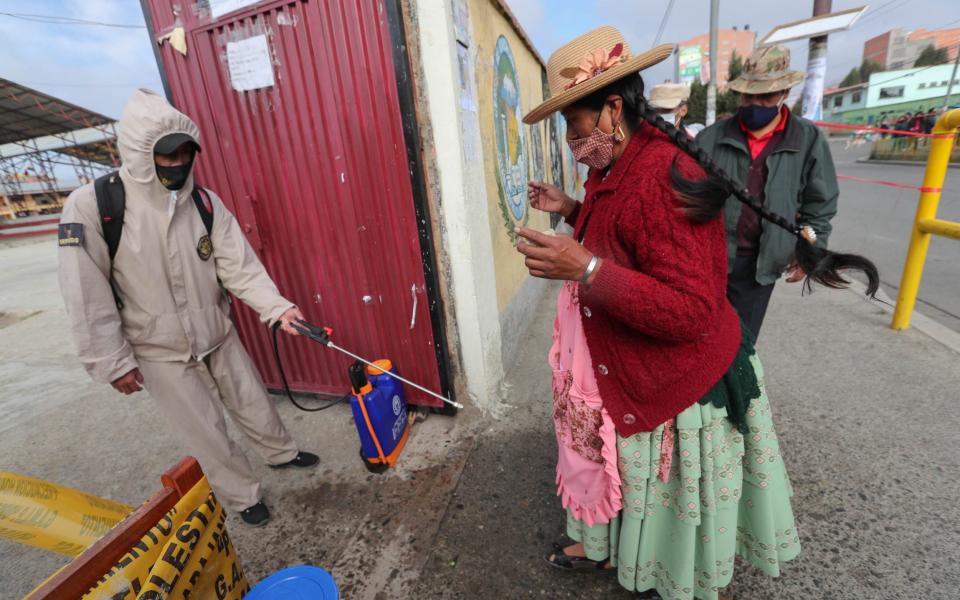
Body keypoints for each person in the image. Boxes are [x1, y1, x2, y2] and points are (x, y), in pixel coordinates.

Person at [517, 27, 878, 600]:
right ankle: (611, 547)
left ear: (612, 109)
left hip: (674, 374)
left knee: (664, 497)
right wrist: (572, 210)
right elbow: (622, 236)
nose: (568, 139)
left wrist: (586, 270)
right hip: (621, 350)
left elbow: (689, 311)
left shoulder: (663, 175)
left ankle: (660, 570)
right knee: (612, 466)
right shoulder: (615, 163)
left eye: (572, 123)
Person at [58, 89, 317, 527]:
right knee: (206, 430)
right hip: (158, 349)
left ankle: (282, 453)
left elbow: (239, 266)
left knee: (254, 402)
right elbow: (85, 292)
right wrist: (111, 361)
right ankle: (243, 494)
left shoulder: (204, 202)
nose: (177, 164)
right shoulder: (93, 205)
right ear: (141, 154)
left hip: (216, 330)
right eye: (166, 156)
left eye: (184, 154)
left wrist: (278, 309)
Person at [696, 44, 841, 340]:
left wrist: (811, 250)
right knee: (699, 336)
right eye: (749, 96)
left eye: (766, 96)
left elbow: (820, 204)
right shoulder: (710, 138)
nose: (756, 104)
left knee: (741, 343)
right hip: (707, 258)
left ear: (785, 93)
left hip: (760, 265)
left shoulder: (807, 139)